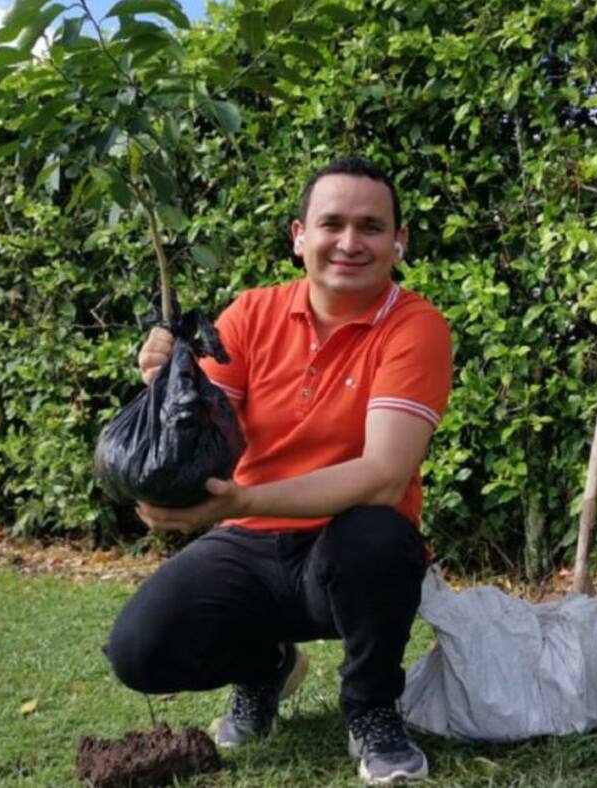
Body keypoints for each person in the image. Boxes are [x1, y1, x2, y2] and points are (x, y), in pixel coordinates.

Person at [104, 157, 453, 784]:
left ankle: (372, 709)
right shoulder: (252, 314)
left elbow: (384, 475)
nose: (350, 242)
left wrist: (239, 500)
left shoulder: (415, 327)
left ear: (398, 242)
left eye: (371, 227)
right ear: (299, 236)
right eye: (332, 224)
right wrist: (168, 379)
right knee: (138, 650)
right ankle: (267, 667)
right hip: (250, 541)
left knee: (377, 533)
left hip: (346, 548)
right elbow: (205, 432)